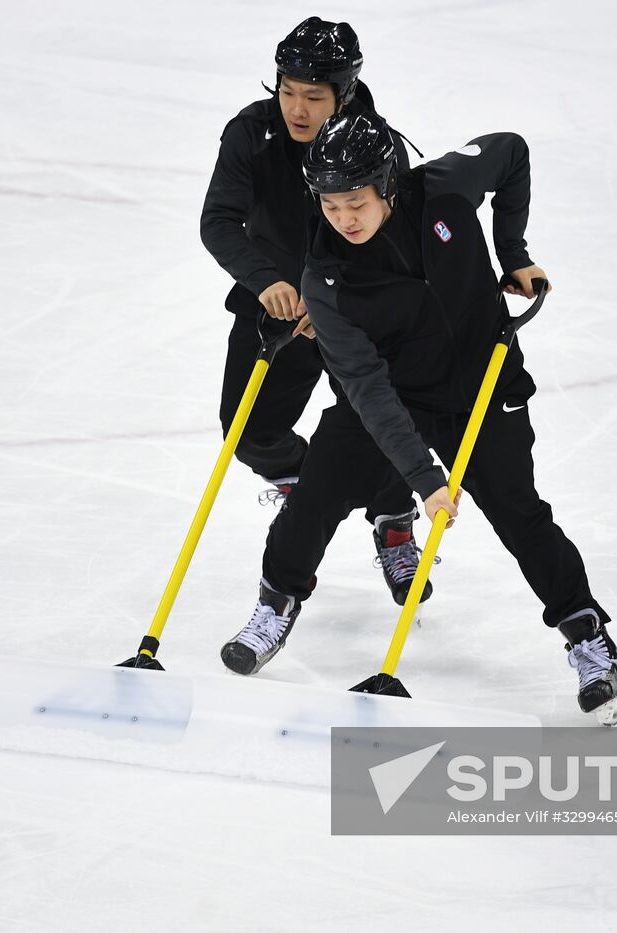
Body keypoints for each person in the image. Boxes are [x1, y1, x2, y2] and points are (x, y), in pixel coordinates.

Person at [294, 111, 617, 725]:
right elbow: (367, 389)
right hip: (409, 396)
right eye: (329, 205)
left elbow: (511, 150)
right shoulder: (327, 272)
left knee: (519, 515)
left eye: (355, 203)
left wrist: (514, 252)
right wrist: (426, 482)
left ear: (387, 188)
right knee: (349, 462)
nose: (343, 219)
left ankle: (591, 641)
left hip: (487, 386)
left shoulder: (445, 189)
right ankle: (387, 523)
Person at [199, 18, 429, 676]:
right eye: (289, 91)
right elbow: (219, 219)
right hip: (273, 303)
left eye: (315, 96)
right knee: (248, 430)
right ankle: (326, 492)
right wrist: (270, 281)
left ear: (346, 92)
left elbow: (391, 240)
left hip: (352, 309)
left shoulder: (376, 145)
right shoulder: (250, 131)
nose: (297, 108)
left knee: (371, 423)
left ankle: (391, 516)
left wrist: (332, 299)